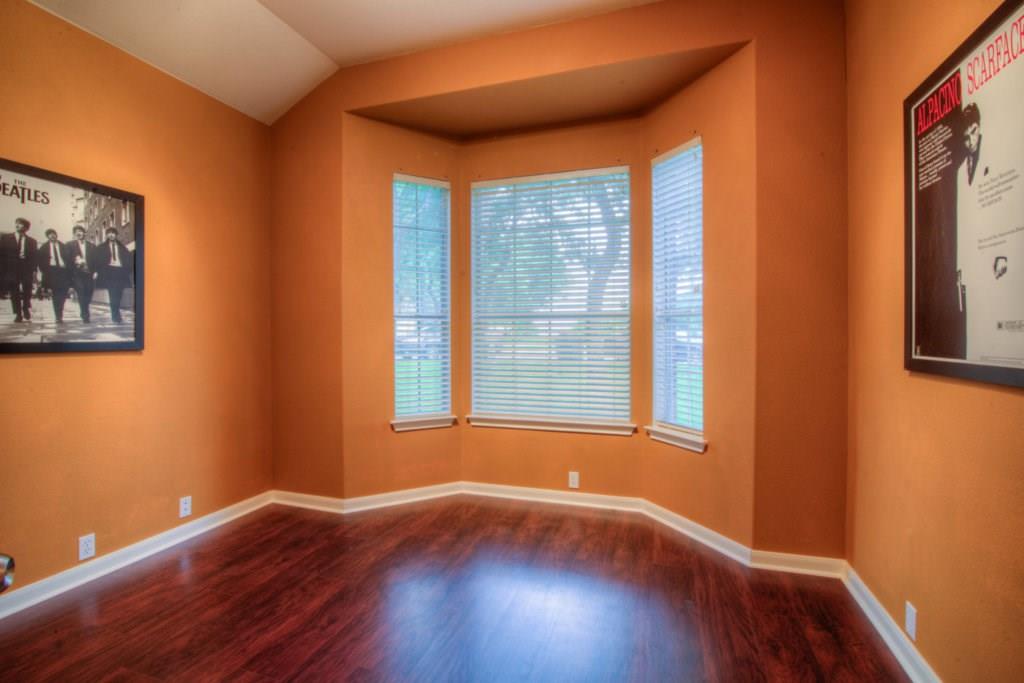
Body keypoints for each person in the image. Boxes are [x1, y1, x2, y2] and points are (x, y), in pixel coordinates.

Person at [0, 217, 38, 322]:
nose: (17, 225)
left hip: (26, 267)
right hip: (11, 268)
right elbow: (1, 255)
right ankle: (18, 313)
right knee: (14, 291)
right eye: (16, 223)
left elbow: (34, 257)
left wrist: (34, 270)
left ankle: (26, 307)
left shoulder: (32, 241)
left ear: (26, 228)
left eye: (20, 224)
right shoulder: (6, 238)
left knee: (27, 288)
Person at [96, 227, 132, 324]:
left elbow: (128, 259)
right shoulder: (101, 247)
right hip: (110, 272)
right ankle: (115, 316)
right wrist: (100, 272)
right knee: (113, 294)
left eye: (113, 233)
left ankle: (116, 314)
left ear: (116, 235)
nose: (111, 235)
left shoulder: (121, 247)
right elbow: (98, 261)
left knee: (119, 294)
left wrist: (127, 270)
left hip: (120, 271)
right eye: (109, 233)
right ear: (107, 235)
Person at [38, 228, 73, 324]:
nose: (52, 236)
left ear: (56, 235)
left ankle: (59, 312)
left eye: (53, 234)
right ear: (47, 237)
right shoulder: (43, 248)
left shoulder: (64, 246)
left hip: (63, 272)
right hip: (52, 272)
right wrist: (45, 274)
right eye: (49, 234)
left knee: (62, 294)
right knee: (55, 295)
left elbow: (70, 260)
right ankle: (58, 315)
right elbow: (41, 263)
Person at [68, 224, 97, 322]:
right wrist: (75, 262)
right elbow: (67, 259)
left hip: (89, 273)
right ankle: (85, 315)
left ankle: (84, 309)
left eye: (80, 231)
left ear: (84, 233)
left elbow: (96, 260)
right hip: (77, 275)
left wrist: (96, 272)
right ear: (74, 234)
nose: (78, 233)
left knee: (89, 293)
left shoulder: (91, 246)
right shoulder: (70, 245)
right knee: (81, 293)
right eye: (76, 232)